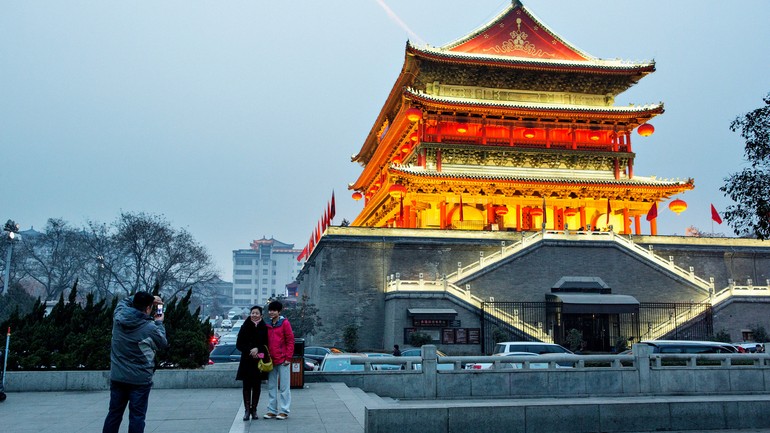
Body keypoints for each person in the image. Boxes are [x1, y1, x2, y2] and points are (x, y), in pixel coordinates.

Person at [103, 291, 167, 433]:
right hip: (140, 380)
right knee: (137, 416)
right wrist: (159, 322)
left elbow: (123, 302)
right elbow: (162, 342)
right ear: (149, 308)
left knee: (114, 414)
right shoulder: (149, 328)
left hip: (118, 376)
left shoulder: (118, 317)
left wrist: (142, 299)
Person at [263, 301, 294, 420]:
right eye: (270, 310)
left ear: (279, 312)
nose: (271, 312)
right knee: (271, 386)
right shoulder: (267, 324)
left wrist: (288, 357)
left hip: (283, 359)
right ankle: (272, 410)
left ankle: (284, 410)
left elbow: (290, 341)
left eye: (274, 310)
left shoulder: (285, 323)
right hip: (271, 360)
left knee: (284, 387)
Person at [236, 305, 269, 421]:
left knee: (257, 386)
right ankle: (247, 410)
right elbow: (239, 344)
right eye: (252, 313)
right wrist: (250, 350)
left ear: (261, 315)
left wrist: (258, 349)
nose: (254, 315)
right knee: (246, 386)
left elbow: (267, 344)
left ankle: (254, 410)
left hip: (259, 361)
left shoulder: (265, 327)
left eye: (256, 313)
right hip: (246, 360)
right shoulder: (244, 326)